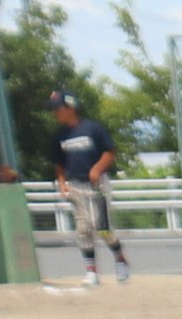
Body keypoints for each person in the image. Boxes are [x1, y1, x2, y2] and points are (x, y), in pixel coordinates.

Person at [48, 91, 128, 284]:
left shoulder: (93, 128)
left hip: (96, 183)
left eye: (58, 109)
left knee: (101, 227)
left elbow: (110, 151)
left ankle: (120, 259)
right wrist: (61, 181)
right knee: (83, 228)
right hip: (75, 184)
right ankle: (91, 271)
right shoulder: (59, 136)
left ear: (70, 108)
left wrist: (97, 168)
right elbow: (58, 162)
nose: (55, 113)